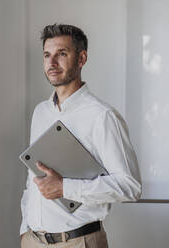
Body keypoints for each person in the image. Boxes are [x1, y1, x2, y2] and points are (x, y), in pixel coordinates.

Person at [20, 24, 142, 248]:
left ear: (81, 58)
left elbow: (130, 186)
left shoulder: (102, 116)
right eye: (47, 55)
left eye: (62, 54)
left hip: (78, 242)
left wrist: (65, 188)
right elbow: (33, 179)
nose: (52, 63)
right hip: (33, 241)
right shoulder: (41, 112)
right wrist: (24, 230)